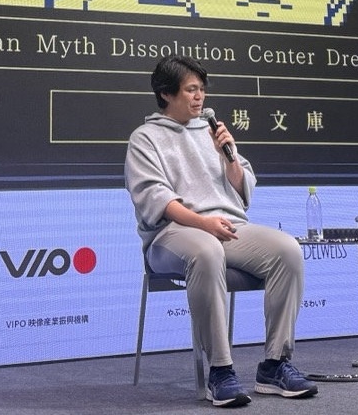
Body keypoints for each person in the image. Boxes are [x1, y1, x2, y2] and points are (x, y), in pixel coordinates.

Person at [125, 55, 317, 406]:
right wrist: (203, 223)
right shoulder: (145, 138)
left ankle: (274, 364)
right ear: (166, 93)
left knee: (287, 250)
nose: (199, 97)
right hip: (171, 234)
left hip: (227, 226)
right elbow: (156, 198)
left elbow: (242, 188)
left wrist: (229, 156)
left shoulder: (212, 132)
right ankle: (220, 370)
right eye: (191, 89)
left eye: (202, 89)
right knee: (206, 250)